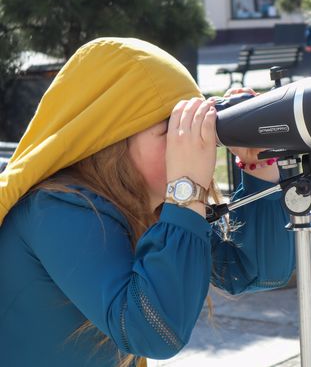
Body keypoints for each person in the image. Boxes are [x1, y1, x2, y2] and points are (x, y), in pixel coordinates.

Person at [0, 38, 295, 367]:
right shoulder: (56, 208)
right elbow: (155, 333)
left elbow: (253, 273)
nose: (193, 140)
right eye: (173, 128)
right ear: (112, 140)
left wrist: (259, 167)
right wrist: (187, 190)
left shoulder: (142, 203)